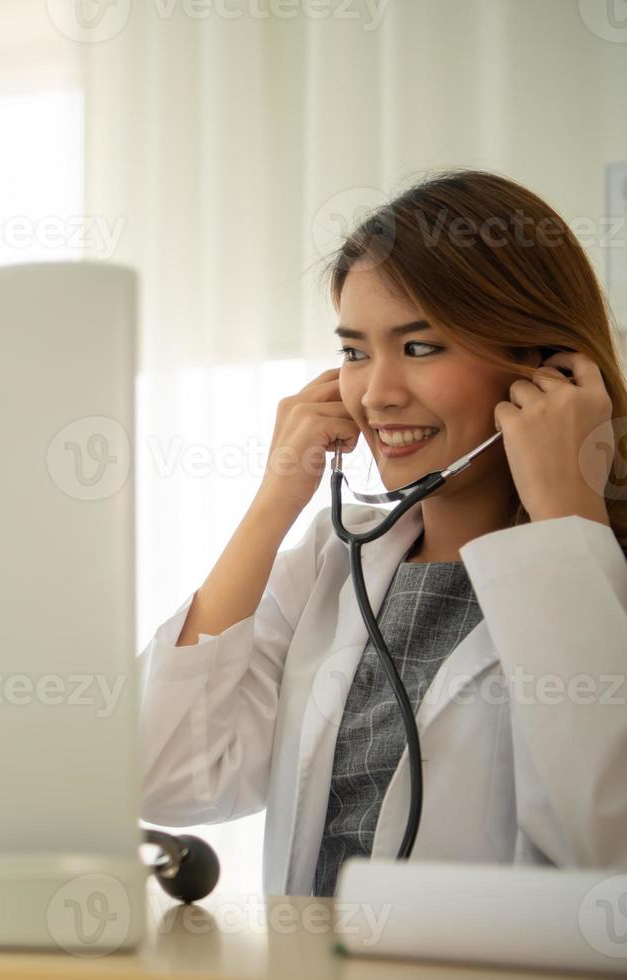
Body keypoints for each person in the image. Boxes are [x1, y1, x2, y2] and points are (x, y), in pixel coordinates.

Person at [138, 170, 627, 898]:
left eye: (421, 347)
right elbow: (162, 774)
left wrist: (567, 521)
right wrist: (276, 498)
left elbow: (607, 850)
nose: (376, 394)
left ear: (547, 365)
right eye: (356, 351)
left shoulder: (598, 566)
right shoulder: (337, 560)